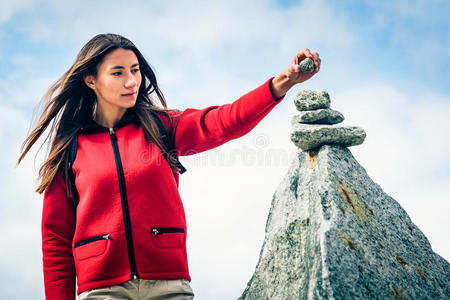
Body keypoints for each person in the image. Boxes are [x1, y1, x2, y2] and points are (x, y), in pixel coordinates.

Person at [16, 33, 321, 300]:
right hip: (102, 291)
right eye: (118, 72)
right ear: (91, 79)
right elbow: (55, 240)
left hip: (168, 287)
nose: (131, 81)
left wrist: (284, 81)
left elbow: (225, 120)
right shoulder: (70, 150)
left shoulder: (162, 127)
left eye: (135, 70)